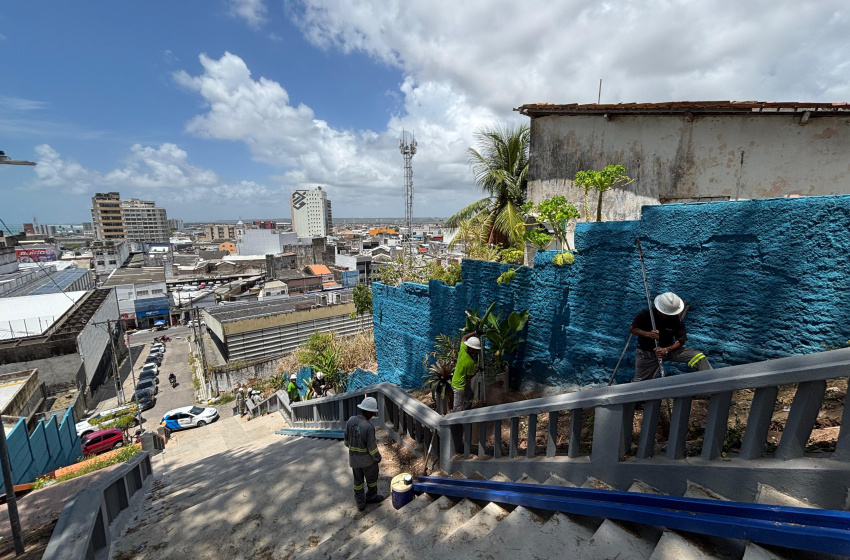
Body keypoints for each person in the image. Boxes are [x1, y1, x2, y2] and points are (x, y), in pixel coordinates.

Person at [630, 292, 711, 382]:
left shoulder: (676, 319)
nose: (668, 316)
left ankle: (707, 387)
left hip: (670, 350)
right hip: (647, 353)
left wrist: (666, 350)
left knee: (699, 357)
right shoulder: (645, 314)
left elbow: (681, 340)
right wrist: (649, 334)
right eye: (666, 313)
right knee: (640, 382)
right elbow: (633, 329)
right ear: (659, 309)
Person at [343, 397, 384, 511]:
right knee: (371, 481)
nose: (373, 415)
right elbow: (372, 449)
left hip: (354, 461)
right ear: (369, 412)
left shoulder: (351, 420)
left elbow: (346, 440)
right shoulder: (369, 427)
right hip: (367, 462)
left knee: (358, 483)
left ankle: (360, 503)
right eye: (373, 413)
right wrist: (378, 458)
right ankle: (371, 497)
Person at [451, 331, 482, 413]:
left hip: (457, 379)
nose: (475, 352)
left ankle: (466, 411)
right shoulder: (470, 362)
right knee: (457, 408)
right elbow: (469, 376)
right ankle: (456, 423)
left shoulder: (462, 350)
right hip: (459, 386)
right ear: (471, 348)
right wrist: (477, 369)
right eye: (475, 350)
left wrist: (476, 332)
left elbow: (464, 337)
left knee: (469, 395)